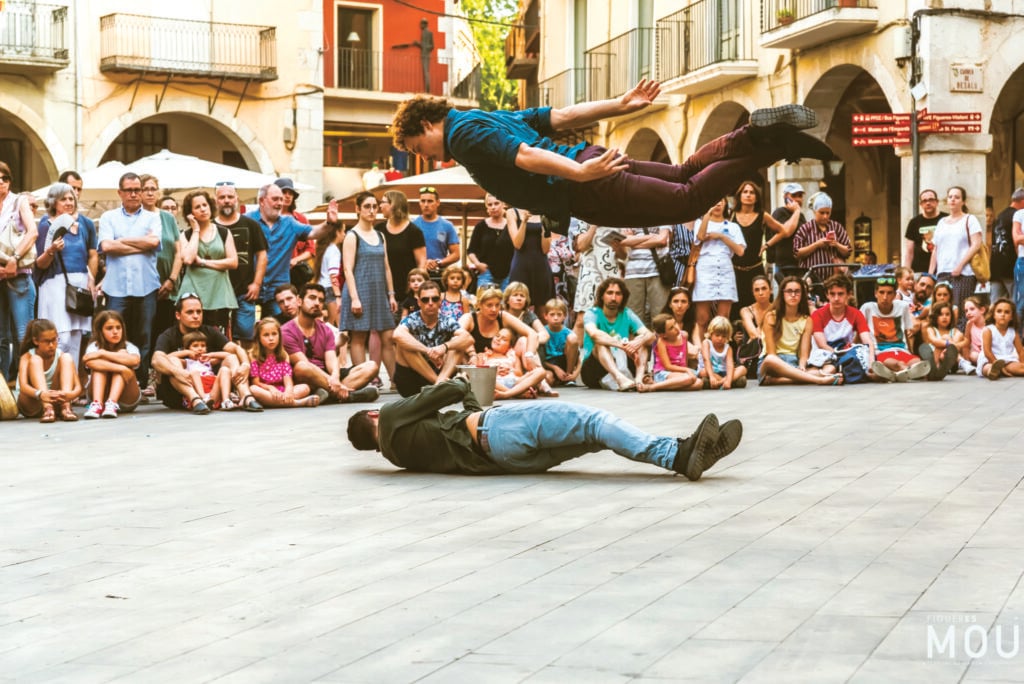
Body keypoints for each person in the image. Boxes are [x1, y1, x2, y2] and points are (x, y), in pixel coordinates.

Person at [391, 81, 833, 229]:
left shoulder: (464, 136)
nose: (425, 157)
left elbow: (525, 156)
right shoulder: (483, 117)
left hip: (585, 184)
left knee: (688, 201)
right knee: (683, 173)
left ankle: (776, 145)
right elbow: (561, 115)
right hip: (589, 157)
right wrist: (619, 105)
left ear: (428, 126)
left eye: (417, 148)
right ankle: (754, 135)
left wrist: (580, 176)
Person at [347, 377, 743, 482]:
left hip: (503, 459)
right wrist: (463, 384)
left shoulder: (398, 455)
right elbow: (445, 391)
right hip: (498, 429)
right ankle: (676, 453)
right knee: (594, 423)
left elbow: (454, 426)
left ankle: (687, 453)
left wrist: (468, 398)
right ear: (374, 416)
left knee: (595, 436)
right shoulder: (393, 415)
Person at [151, 293, 262, 414]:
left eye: (199, 312)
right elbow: (156, 359)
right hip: (180, 393)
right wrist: (177, 372)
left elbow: (235, 349)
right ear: (178, 315)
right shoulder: (169, 335)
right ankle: (195, 399)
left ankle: (245, 395)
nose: (196, 316)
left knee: (232, 358)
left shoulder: (209, 331)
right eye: (190, 312)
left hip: (211, 391)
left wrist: (246, 364)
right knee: (172, 362)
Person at [33, 184, 97, 369]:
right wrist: (51, 250)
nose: (69, 202)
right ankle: (55, 381)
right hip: (56, 283)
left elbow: (91, 254)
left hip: (80, 283)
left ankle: (72, 385)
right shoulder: (46, 224)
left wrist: (91, 279)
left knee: (77, 336)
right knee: (62, 337)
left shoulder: (85, 224)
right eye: (64, 199)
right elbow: (39, 263)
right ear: (54, 202)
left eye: (71, 199)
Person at [283, 283, 379, 403]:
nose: (317, 303)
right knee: (302, 367)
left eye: (321, 300)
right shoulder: (286, 331)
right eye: (312, 298)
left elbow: (332, 360)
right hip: (306, 379)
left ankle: (328, 395)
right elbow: (303, 363)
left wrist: (335, 377)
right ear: (299, 301)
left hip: (327, 377)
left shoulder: (325, 329)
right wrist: (333, 381)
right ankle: (347, 395)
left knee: (371, 366)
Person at [246, 183, 329, 317]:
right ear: (261, 201)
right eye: (275, 199)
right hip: (250, 287)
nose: (280, 203)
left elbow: (313, 233)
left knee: (281, 329)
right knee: (246, 331)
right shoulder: (247, 220)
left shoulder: (289, 222)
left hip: (278, 290)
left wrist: (329, 222)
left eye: (281, 199)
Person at [340, 192, 397, 383]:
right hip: (359, 289)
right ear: (358, 209)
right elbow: (347, 269)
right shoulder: (352, 235)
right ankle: (361, 380)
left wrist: (391, 294)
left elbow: (388, 267)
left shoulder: (380, 235)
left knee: (388, 337)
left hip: (379, 291)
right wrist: (355, 298)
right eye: (367, 206)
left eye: (375, 206)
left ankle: (396, 381)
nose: (372, 210)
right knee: (358, 337)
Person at [393, 280, 473, 397]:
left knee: (458, 345)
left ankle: (438, 383)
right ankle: (438, 384)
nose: (430, 303)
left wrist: (444, 347)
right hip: (411, 381)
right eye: (425, 300)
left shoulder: (446, 320)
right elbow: (397, 335)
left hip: (441, 372)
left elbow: (468, 339)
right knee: (403, 344)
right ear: (419, 302)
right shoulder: (412, 319)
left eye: (434, 299)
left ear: (440, 301)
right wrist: (427, 351)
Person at [758, 276, 841, 386]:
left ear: (802, 295)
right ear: (782, 294)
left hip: (794, 362)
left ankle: (782, 380)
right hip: (773, 364)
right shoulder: (771, 316)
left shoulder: (807, 320)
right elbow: (771, 353)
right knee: (770, 359)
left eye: (797, 292)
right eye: (789, 291)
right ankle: (818, 380)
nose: (793, 295)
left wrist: (802, 366)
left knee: (830, 369)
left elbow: (804, 354)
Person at [214, 181, 267, 345]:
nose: (226, 200)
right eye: (222, 197)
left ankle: (247, 368)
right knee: (218, 337)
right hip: (217, 292)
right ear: (216, 201)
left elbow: (262, 255)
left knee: (246, 335)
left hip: (245, 292)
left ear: (237, 199)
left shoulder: (251, 224)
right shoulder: (210, 226)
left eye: (230, 196)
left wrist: (257, 284)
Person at [139, 175, 182, 376]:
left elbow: (178, 250)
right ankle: (145, 375)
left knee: (165, 331)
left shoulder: (168, 218)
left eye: (153, 188)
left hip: (168, 283)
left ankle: (162, 376)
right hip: (143, 284)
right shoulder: (136, 216)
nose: (149, 192)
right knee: (145, 330)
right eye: (145, 188)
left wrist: (172, 279)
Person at [732, 181, 799, 309]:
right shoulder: (731, 215)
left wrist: (767, 244)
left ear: (756, 197)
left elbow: (783, 231)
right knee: (736, 307)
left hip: (755, 268)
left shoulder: (762, 215)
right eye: (745, 192)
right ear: (739, 196)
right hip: (735, 269)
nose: (748, 195)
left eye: (752, 192)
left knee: (761, 304)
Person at [580, 276, 654, 391]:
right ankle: (620, 379)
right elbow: (594, 334)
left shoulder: (627, 313)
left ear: (623, 297)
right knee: (600, 342)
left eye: (618, 294)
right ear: (602, 296)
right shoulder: (592, 313)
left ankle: (639, 379)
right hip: (594, 370)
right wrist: (622, 346)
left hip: (623, 363)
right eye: (609, 293)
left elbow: (650, 336)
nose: (613, 298)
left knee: (642, 340)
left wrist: (639, 341)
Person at [0, 162, 39, 381]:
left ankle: (28, 387)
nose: (0, 183)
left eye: (4, 178)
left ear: (9, 181)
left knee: (23, 334)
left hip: (20, 275)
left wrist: (14, 259)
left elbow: (32, 232)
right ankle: (3, 391)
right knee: (0, 338)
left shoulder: (19, 201)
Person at [178, 190, 238, 331]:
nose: (203, 209)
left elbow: (233, 262)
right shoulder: (185, 235)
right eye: (197, 207)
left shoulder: (224, 232)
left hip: (219, 292)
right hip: (193, 292)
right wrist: (196, 230)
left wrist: (203, 263)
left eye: (205, 205)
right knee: (193, 335)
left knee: (219, 335)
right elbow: (187, 258)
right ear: (190, 212)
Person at [929, 186, 983, 331]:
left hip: (963, 273)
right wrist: (930, 274)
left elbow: (976, 244)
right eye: (950, 196)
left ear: (963, 201)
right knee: (941, 310)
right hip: (942, 273)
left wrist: (960, 265)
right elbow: (936, 249)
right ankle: (944, 343)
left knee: (961, 311)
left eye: (957, 197)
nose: (953, 199)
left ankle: (962, 344)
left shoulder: (969, 219)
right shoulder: (941, 222)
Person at [692, 198, 746, 340]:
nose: (717, 204)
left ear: (725, 204)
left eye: (721, 201)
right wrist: (707, 215)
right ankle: (702, 350)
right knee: (702, 318)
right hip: (705, 268)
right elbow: (700, 237)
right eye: (714, 200)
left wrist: (721, 236)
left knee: (723, 317)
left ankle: (723, 351)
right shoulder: (700, 222)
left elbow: (740, 251)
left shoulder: (733, 227)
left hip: (725, 267)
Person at [860, 276, 931, 382]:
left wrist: (910, 353)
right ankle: (905, 372)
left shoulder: (902, 307)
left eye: (889, 293)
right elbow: (860, 332)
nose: (885, 297)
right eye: (881, 292)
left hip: (902, 350)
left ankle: (896, 375)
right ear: (875, 293)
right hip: (881, 352)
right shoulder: (868, 308)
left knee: (918, 363)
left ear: (894, 295)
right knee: (896, 364)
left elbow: (907, 333)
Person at [807, 274, 875, 380]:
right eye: (832, 294)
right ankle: (795, 376)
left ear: (848, 294)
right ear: (827, 295)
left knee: (866, 365)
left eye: (840, 294)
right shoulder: (817, 315)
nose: (836, 298)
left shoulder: (856, 314)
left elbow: (867, 341)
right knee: (830, 369)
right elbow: (822, 345)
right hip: (823, 356)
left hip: (846, 355)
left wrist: (871, 361)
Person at [15, 318, 82, 422]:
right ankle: (48, 408)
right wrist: (41, 394)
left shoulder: (60, 355)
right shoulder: (27, 357)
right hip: (34, 403)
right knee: (36, 359)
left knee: (67, 357)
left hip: (58, 401)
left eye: (54, 340)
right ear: (36, 341)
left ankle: (66, 407)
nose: (51, 345)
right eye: (47, 341)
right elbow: (23, 386)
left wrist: (69, 395)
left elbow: (78, 387)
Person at [248, 317, 319, 408]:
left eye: (274, 334)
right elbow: (256, 383)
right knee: (253, 389)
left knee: (305, 387)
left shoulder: (283, 355)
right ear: (259, 338)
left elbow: (287, 379)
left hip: (282, 390)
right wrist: (271, 388)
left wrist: (288, 391)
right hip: (266, 390)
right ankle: (298, 403)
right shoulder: (253, 355)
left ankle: (277, 402)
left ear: (279, 336)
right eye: (266, 335)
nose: (271, 338)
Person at [82, 310, 140, 419]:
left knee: (123, 355)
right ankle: (97, 404)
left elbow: (134, 361)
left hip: (126, 398)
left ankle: (112, 403)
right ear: (100, 331)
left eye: (118, 327)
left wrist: (103, 353)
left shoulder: (129, 346)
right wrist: (121, 368)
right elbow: (89, 362)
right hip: (99, 396)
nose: (115, 332)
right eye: (109, 328)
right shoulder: (94, 347)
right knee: (99, 367)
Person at [377, 190, 426, 313]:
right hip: (383, 289)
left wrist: (418, 287)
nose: (380, 206)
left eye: (383, 202)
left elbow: (421, 263)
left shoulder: (413, 231)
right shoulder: (378, 229)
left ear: (393, 205)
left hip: (406, 291)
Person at [458, 285, 539, 356]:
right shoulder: (469, 318)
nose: (494, 309)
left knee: (524, 341)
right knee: (456, 345)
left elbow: (532, 333)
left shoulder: (502, 316)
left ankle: (533, 370)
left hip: (500, 364)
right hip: (473, 365)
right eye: (489, 305)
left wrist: (529, 354)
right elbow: (457, 333)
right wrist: (472, 354)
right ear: (479, 304)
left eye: (497, 305)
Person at [470, 327, 548, 400]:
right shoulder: (483, 355)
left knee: (541, 371)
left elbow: (519, 373)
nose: (498, 339)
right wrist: (494, 371)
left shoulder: (512, 355)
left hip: (514, 382)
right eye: (497, 336)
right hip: (495, 383)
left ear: (509, 346)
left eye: (504, 339)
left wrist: (510, 370)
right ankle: (516, 393)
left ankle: (507, 394)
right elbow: (478, 374)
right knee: (481, 377)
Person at [617, 225, 671, 327]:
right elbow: (623, 241)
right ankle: (636, 343)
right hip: (633, 272)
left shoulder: (664, 212)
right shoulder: (630, 213)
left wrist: (633, 242)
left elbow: (662, 240)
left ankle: (659, 343)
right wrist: (652, 237)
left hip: (658, 270)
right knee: (633, 317)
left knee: (660, 317)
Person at [172, 330, 235, 410]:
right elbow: (169, 357)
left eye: (203, 346)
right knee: (194, 372)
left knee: (225, 370)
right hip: (198, 392)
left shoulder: (208, 361)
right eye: (195, 346)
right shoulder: (186, 362)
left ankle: (226, 401)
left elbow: (228, 355)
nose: (200, 348)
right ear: (187, 348)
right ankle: (203, 399)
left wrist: (211, 355)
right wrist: (186, 352)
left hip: (212, 393)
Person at [637, 313, 701, 392]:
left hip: (680, 372)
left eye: (675, 323)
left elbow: (684, 359)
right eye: (671, 328)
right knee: (690, 378)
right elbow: (668, 366)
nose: (676, 328)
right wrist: (687, 371)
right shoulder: (662, 342)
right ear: (663, 335)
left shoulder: (684, 335)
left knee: (699, 383)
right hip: (664, 372)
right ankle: (652, 387)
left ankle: (662, 386)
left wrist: (686, 370)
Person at [792, 192, 852, 273]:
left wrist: (836, 244)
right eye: (822, 213)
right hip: (812, 278)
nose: (825, 216)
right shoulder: (805, 229)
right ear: (814, 211)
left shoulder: (837, 227)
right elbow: (797, 253)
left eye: (828, 213)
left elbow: (848, 251)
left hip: (834, 278)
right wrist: (816, 245)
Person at [507, 209, 555, 309]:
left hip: (541, 265)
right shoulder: (512, 212)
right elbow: (517, 244)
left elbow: (545, 249)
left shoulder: (546, 214)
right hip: (521, 265)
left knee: (543, 308)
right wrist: (524, 221)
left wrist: (544, 224)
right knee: (519, 307)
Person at [466, 193, 514, 289]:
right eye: (490, 204)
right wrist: (477, 264)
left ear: (503, 204)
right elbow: (471, 251)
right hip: (486, 273)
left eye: (496, 203)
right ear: (486, 207)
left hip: (508, 273)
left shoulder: (511, 225)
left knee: (505, 303)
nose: (493, 207)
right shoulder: (481, 226)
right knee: (486, 301)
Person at [413, 187, 460, 280]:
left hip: (440, 274)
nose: (426, 205)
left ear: (438, 203)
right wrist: (424, 262)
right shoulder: (412, 225)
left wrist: (439, 262)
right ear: (419, 203)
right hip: (417, 275)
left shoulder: (447, 225)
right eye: (423, 201)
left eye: (430, 201)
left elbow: (456, 254)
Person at [768, 183, 808, 285]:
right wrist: (797, 211)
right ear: (786, 197)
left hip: (800, 266)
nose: (798, 199)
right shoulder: (779, 213)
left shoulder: (801, 216)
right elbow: (787, 231)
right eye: (794, 196)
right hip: (784, 266)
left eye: (800, 196)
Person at [989, 187, 1022, 303]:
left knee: (995, 303)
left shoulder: (1000, 215)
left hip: (995, 266)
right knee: (1014, 302)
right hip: (1010, 266)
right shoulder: (1018, 216)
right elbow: (1016, 241)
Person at [978, 297, 1024, 380]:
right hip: (990, 360)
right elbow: (987, 352)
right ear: (994, 315)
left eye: (1006, 312)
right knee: (987, 367)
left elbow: (1020, 351)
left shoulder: (1013, 332)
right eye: (999, 311)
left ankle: (1001, 371)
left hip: (1007, 360)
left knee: (1018, 367)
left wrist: (1022, 364)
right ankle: (993, 372)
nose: (1002, 314)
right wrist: (997, 365)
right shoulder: (988, 330)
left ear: (1011, 317)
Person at [903, 189, 947, 273]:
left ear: (937, 202)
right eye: (924, 201)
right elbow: (909, 252)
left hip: (942, 269)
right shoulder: (914, 222)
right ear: (921, 204)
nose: (928, 203)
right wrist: (907, 272)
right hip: (919, 270)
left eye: (931, 200)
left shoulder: (946, 219)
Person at [918, 302, 965, 381]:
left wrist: (946, 349)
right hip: (934, 357)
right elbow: (934, 340)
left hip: (949, 360)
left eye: (947, 314)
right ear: (935, 316)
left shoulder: (955, 331)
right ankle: (935, 370)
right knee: (939, 343)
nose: (944, 317)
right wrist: (947, 343)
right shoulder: (931, 329)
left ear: (951, 316)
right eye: (941, 314)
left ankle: (934, 370)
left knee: (946, 340)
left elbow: (955, 347)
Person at [698, 316, 747, 389]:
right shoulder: (706, 343)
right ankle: (723, 381)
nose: (720, 338)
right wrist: (711, 376)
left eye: (724, 336)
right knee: (703, 372)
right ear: (711, 333)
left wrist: (728, 379)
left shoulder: (728, 348)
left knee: (743, 369)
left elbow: (730, 365)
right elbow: (706, 360)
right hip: (709, 371)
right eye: (717, 335)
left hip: (724, 373)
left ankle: (721, 382)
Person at [541, 298, 579, 386]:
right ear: (545, 316)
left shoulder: (568, 333)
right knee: (548, 379)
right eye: (552, 315)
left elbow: (580, 356)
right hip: (549, 364)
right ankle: (557, 379)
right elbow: (540, 358)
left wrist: (576, 372)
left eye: (559, 315)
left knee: (573, 339)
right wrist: (555, 368)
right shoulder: (543, 332)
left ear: (564, 316)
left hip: (565, 361)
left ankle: (568, 377)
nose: (556, 318)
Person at [314, 218, 344, 326]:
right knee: (336, 326)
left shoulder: (324, 248)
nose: (344, 235)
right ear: (337, 232)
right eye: (343, 231)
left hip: (321, 286)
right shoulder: (334, 251)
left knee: (325, 324)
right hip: (330, 290)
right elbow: (333, 276)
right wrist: (338, 296)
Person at [962, 295, 986, 374]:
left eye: (972, 309)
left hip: (990, 352)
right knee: (973, 355)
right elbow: (966, 343)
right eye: (966, 311)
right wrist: (967, 361)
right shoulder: (969, 324)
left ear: (982, 310)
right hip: (977, 355)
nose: (968, 313)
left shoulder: (989, 324)